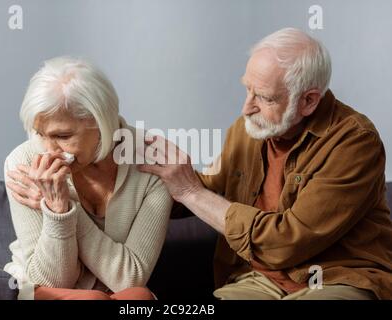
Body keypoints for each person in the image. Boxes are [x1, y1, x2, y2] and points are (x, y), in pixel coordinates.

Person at [138, 28, 392, 300]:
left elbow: (286, 242)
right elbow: (211, 188)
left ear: (308, 101)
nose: (247, 107)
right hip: (258, 279)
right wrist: (146, 180)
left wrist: (190, 192)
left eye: (265, 97)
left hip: (336, 277)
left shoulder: (354, 142)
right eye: (248, 89)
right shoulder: (248, 129)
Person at [3, 57, 173, 300]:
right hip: (42, 288)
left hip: (115, 293)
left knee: (138, 296)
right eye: (40, 134)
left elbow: (129, 279)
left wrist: (63, 206)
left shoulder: (152, 163)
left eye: (62, 135)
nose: (48, 150)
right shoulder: (23, 162)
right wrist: (57, 212)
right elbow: (52, 280)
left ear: (101, 122)